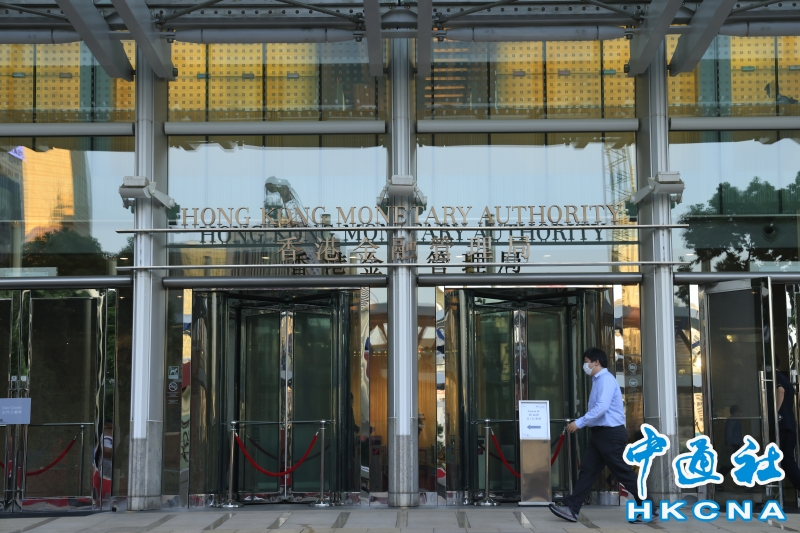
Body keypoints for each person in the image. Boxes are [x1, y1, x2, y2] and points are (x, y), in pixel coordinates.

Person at [549, 347, 644, 524]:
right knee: (587, 471)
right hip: (601, 434)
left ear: (596, 362)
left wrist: (579, 422)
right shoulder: (598, 380)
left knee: (622, 472)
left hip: (610, 434)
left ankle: (649, 508)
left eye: (586, 362)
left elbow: (602, 407)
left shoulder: (605, 380)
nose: (585, 366)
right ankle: (572, 508)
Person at [775, 357, 800, 491]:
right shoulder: (785, 379)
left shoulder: (776, 376)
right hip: (789, 424)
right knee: (786, 460)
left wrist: (775, 412)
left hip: (784, 424)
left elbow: (780, 391)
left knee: (787, 460)